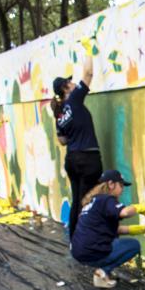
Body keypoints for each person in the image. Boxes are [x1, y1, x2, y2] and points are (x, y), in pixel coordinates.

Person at [51, 37, 104, 238]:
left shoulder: (59, 114)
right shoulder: (73, 99)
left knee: (77, 200)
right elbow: (89, 73)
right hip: (87, 159)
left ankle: (75, 238)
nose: (74, 84)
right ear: (66, 87)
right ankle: (86, 241)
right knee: (87, 200)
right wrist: (89, 50)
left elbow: (62, 141)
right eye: (70, 82)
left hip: (72, 160)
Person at [70, 170, 145, 288]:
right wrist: (139, 208)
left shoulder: (94, 201)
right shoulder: (106, 199)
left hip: (77, 251)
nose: (122, 189)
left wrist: (141, 229)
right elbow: (124, 212)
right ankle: (103, 271)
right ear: (111, 184)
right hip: (91, 251)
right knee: (134, 245)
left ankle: (102, 273)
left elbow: (113, 230)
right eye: (120, 185)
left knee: (114, 240)